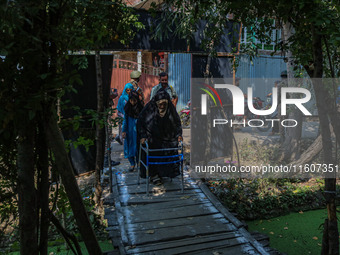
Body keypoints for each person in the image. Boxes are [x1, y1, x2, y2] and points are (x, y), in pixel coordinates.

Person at [138, 89, 183, 185]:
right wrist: (143, 135)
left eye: (164, 104)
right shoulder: (149, 109)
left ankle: (165, 173)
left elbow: (177, 122)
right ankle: (154, 175)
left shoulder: (170, 109)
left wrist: (179, 134)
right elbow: (140, 122)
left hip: (167, 137)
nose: (162, 107)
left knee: (170, 148)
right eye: (160, 104)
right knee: (152, 149)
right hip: (152, 137)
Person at [122, 91, 144, 171]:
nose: (133, 102)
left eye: (134, 100)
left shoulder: (141, 108)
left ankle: (138, 162)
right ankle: (132, 163)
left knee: (138, 147)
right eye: (131, 100)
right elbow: (125, 120)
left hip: (138, 131)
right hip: (129, 131)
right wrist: (124, 131)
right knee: (129, 147)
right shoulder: (127, 108)